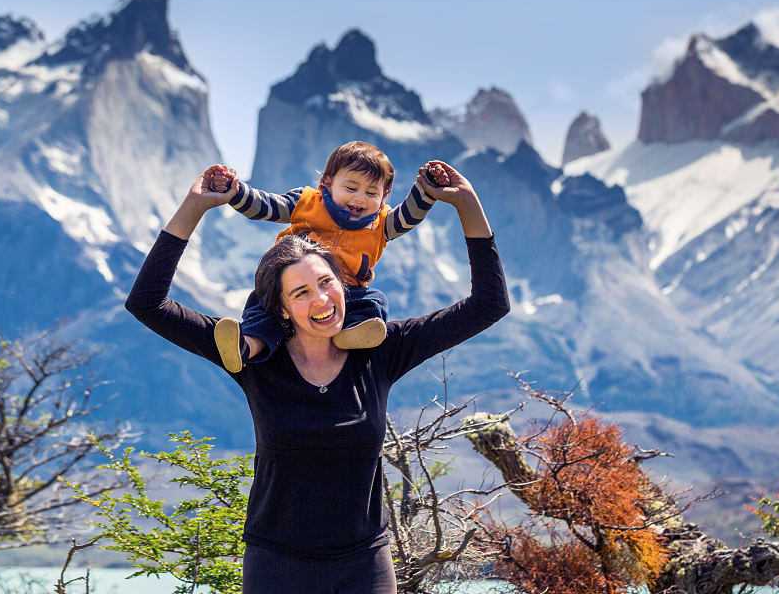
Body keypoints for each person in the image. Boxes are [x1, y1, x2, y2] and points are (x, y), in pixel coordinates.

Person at [125, 160, 509, 593]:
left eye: (327, 283)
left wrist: (467, 205)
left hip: (364, 563)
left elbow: (488, 305)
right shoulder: (252, 359)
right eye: (302, 292)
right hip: (276, 563)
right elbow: (147, 304)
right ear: (283, 307)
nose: (322, 300)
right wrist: (194, 207)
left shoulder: (380, 349)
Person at [206, 141, 445, 373]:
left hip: (345, 292)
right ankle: (246, 346)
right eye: (351, 188)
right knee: (264, 311)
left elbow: (409, 217)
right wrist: (235, 191)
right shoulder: (307, 202)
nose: (360, 198)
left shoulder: (382, 223)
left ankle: (352, 332)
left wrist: (426, 189)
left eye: (372, 192)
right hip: (288, 286)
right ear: (327, 183)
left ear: (384, 196)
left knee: (374, 301)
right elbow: (265, 206)